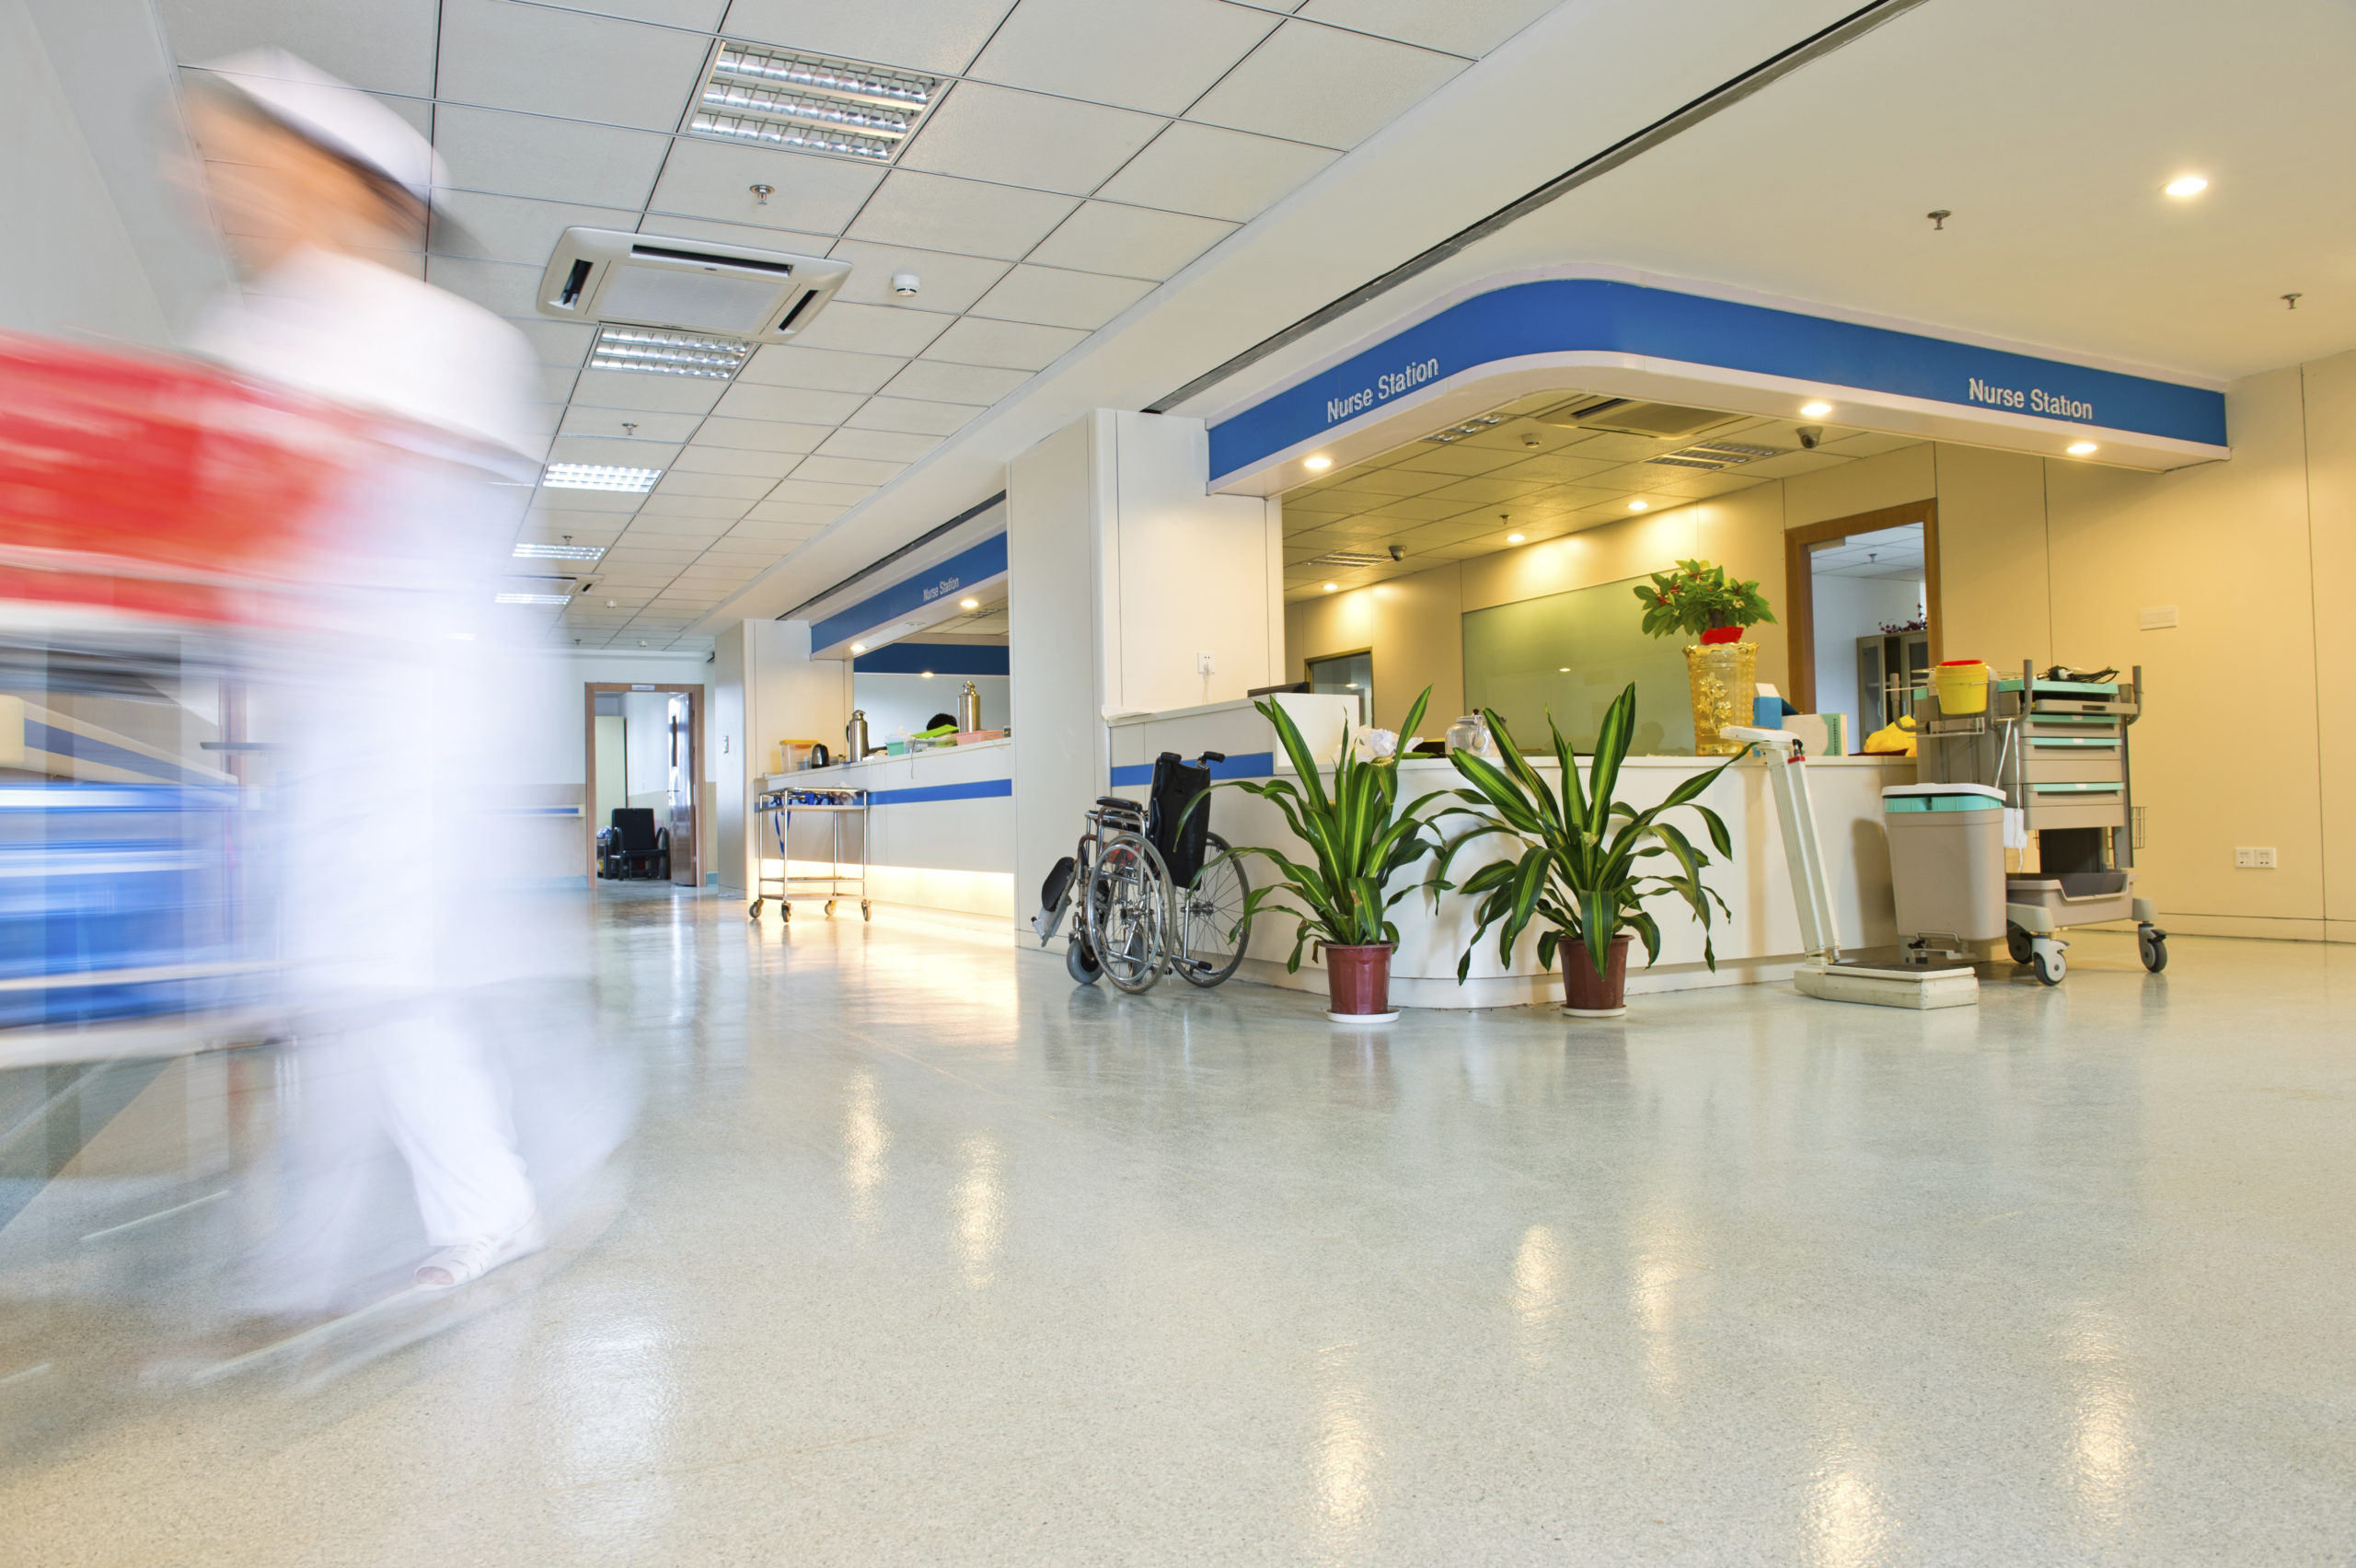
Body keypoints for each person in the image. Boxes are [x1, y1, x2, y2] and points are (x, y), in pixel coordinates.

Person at [182, 52, 612, 1300]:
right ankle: (479, 1201)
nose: (224, 190)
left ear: (346, 185)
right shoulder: (249, 332)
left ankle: (457, 1214)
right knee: (381, 971)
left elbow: (404, 511)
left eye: (247, 161)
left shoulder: (445, 341)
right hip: (336, 712)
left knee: (382, 969)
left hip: (433, 704)